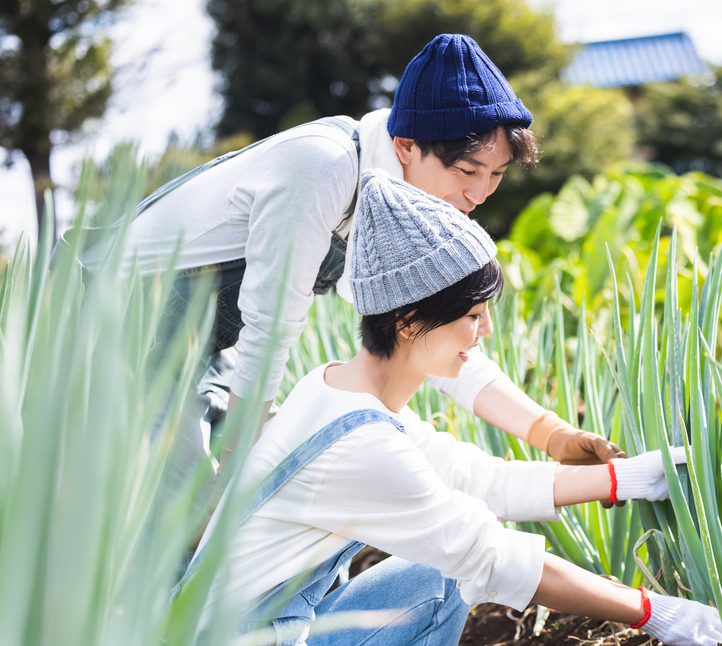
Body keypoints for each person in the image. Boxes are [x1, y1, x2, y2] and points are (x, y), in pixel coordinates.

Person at [191, 171, 722, 646]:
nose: (484, 334)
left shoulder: (337, 388)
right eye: (473, 316)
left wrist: (623, 479)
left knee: (437, 579)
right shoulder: (360, 443)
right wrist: (653, 612)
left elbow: (475, 479)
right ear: (411, 319)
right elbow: (492, 557)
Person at [121, 33, 620, 498]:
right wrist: (236, 472)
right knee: (195, 524)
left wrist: (552, 434)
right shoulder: (324, 167)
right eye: (466, 170)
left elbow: (430, 336)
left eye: (495, 175)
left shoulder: (399, 203)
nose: (478, 193)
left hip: (202, 344)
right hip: (117, 327)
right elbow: (271, 324)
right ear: (405, 146)